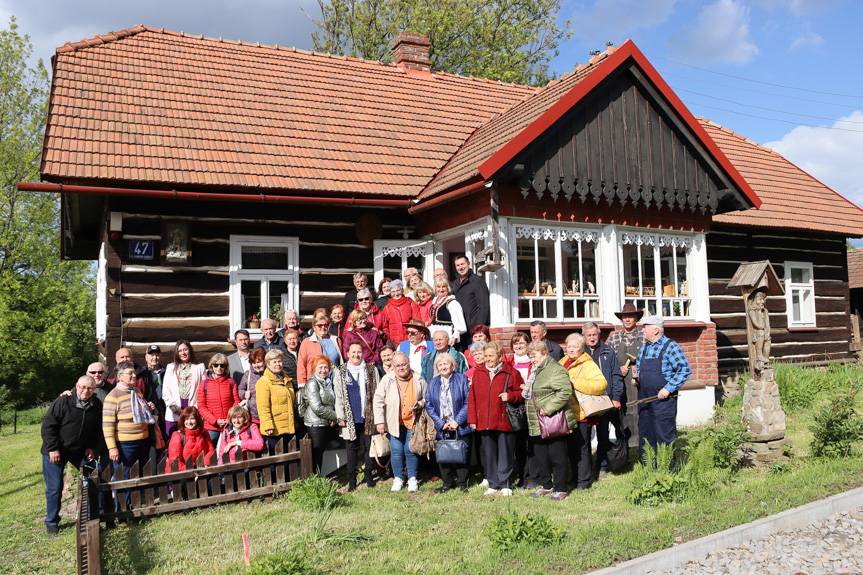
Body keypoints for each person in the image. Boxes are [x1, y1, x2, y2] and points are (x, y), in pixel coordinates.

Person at [41, 375, 103, 534]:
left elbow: (97, 431)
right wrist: (52, 448)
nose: (85, 391)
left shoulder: (96, 405)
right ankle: (52, 522)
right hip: (56, 451)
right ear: (76, 386)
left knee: (92, 478)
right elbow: (48, 426)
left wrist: (92, 448)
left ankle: (93, 517)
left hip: (80, 451)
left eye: (89, 388)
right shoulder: (63, 401)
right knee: (55, 487)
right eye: (82, 387)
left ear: (94, 389)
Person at [468, 342, 524, 496]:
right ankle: (493, 483)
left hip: (504, 420)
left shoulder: (512, 373)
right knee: (489, 453)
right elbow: (471, 398)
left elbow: (521, 393)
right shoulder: (478, 373)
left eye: (490, 355)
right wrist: (473, 419)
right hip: (484, 421)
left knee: (505, 452)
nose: (487, 359)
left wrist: (510, 396)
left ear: (499, 356)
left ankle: (505, 483)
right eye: (485, 356)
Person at [525, 340, 576, 501]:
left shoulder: (555, 369)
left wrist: (548, 408)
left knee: (557, 455)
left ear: (544, 353)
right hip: (538, 421)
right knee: (541, 455)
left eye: (534, 356)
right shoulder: (536, 370)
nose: (532, 359)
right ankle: (546, 485)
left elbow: (565, 391)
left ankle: (561, 488)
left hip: (553, 419)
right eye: (530, 356)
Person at [374, 351, 428, 493]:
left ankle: (412, 478)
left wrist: (420, 404)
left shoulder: (418, 379)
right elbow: (378, 400)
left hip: (413, 420)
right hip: (393, 421)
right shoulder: (387, 379)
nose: (401, 368)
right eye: (397, 365)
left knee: (410, 450)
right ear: (393, 366)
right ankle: (398, 478)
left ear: (409, 363)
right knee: (397, 451)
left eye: (404, 364)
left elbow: (426, 398)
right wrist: (379, 421)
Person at [636, 315, 691, 453]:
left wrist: (668, 388)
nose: (642, 330)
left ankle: (667, 469)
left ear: (655, 330)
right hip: (644, 397)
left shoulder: (670, 346)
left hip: (663, 400)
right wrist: (637, 378)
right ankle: (648, 467)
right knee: (646, 433)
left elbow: (684, 369)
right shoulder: (644, 347)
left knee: (664, 434)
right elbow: (639, 368)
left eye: (645, 327)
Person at [560, 333, 608, 490]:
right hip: (566, 414)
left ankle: (584, 482)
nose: (571, 349)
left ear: (582, 349)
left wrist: (575, 382)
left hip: (581, 414)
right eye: (569, 346)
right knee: (570, 449)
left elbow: (601, 384)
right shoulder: (562, 362)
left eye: (575, 346)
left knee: (582, 448)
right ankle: (573, 479)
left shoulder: (588, 364)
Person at [334, 343, 381, 491]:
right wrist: (341, 417)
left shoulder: (371, 369)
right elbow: (339, 396)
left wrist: (379, 416)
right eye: (353, 352)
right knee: (351, 449)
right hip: (350, 417)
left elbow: (378, 394)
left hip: (368, 416)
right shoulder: (341, 371)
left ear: (363, 353)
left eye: (359, 352)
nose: (356, 355)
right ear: (347, 353)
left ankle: (368, 476)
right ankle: (352, 479)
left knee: (369, 447)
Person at [582, 321, 624, 477]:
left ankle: (602, 466)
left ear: (599, 334)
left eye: (594, 334)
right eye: (589, 335)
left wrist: (616, 397)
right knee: (584, 437)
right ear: (583, 336)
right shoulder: (580, 352)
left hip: (604, 400)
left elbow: (616, 375)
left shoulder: (607, 351)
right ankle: (585, 469)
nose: (592, 338)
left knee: (603, 435)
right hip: (584, 402)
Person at [425, 354, 472, 493]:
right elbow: (428, 404)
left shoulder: (462, 379)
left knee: (461, 453)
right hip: (443, 426)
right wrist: (440, 423)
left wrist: (457, 421)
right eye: (440, 365)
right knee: (444, 455)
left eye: (446, 364)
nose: (443, 367)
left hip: (459, 424)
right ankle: (447, 483)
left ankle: (463, 483)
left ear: (452, 365)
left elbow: (468, 402)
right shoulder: (433, 382)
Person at [103, 361, 155, 478]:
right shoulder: (113, 396)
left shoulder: (136, 391)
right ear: (120, 376)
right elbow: (107, 425)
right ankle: (124, 497)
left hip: (143, 440)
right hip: (125, 445)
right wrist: (112, 448)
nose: (134, 375)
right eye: (130, 373)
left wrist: (148, 407)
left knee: (140, 475)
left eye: (134, 373)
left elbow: (137, 412)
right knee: (125, 476)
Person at [607, 303, 645, 448]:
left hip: (641, 382)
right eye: (625, 317)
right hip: (621, 383)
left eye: (630, 316)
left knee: (641, 412)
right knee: (624, 413)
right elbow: (608, 361)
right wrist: (618, 369)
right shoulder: (615, 338)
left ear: (636, 318)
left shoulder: (644, 335)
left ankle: (643, 445)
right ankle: (625, 446)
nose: (627, 319)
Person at [256, 349, 297, 456]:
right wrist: (268, 425)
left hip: (288, 426)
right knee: (275, 462)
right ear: (268, 364)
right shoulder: (263, 382)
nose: (278, 364)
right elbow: (262, 407)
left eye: (280, 361)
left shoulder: (287, 380)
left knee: (288, 459)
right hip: (274, 429)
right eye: (274, 362)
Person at [162, 340, 206, 439]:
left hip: (192, 408)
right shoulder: (170, 367)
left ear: (190, 350)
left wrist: (194, 409)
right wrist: (175, 408)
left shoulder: (199, 367)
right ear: (177, 353)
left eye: (185, 349)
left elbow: (203, 390)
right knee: (173, 439)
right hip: (173, 411)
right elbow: (166, 391)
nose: (183, 353)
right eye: (180, 350)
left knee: (191, 440)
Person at [302, 355, 339, 473]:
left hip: (324, 422)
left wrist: (331, 418)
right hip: (315, 424)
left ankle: (319, 478)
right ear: (314, 369)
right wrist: (336, 416)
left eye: (326, 367)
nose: (323, 370)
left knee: (320, 453)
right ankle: (315, 482)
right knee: (316, 454)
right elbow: (317, 407)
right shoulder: (313, 383)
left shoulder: (326, 382)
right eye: (320, 367)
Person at [197, 353, 240, 445]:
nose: (219, 368)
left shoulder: (231, 382)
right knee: (210, 453)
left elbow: (236, 401)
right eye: (216, 365)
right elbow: (201, 406)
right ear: (211, 366)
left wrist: (230, 418)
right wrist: (214, 421)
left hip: (229, 425)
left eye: (222, 365)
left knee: (230, 454)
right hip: (211, 426)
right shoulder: (204, 384)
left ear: (226, 367)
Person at [297, 308, 343, 385]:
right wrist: (302, 385)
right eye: (319, 325)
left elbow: (341, 363)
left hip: (334, 383)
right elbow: (301, 366)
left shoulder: (336, 340)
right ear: (314, 326)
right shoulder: (307, 342)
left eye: (326, 325)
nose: (323, 327)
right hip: (314, 385)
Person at [165, 406, 214, 471]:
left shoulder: (204, 433)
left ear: (197, 419)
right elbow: (175, 460)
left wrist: (205, 463)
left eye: (192, 419)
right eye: (186, 419)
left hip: (202, 471)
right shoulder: (177, 435)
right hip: (183, 474)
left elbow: (210, 450)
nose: (189, 422)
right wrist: (190, 471)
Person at [450, 255, 490, 333]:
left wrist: (478, 327)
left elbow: (484, 306)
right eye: (458, 265)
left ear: (468, 264)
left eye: (462, 264)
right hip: (459, 328)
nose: (460, 267)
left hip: (473, 329)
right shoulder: (455, 283)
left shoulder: (477, 281)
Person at [428, 279, 468, 346]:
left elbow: (459, 324)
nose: (441, 289)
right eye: (438, 287)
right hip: (435, 337)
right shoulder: (434, 301)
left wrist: (454, 337)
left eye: (443, 286)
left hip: (448, 338)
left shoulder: (452, 303)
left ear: (448, 288)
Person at [381, 279, 420, 345]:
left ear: (402, 291)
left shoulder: (410, 303)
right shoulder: (387, 307)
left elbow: (417, 321)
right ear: (390, 293)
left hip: (410, 339)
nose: (396, 294)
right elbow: (385, 327)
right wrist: (390, 338)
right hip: (395, 342)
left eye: (398, 290)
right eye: (393, 291)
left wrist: (414, 335)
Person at [238, 347, 266, 425]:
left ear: (265, 361)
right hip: (252, 416)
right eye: (254, 362)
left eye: (259, 362)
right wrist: (244, 394)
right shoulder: (248, 374)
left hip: (269, 416)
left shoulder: (270, 373)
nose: (256, 365)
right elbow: (240, 389)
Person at [144, 345, 167, 431]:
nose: (154, 357)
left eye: (157, 355)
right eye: (151, 355)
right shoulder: (143, 373)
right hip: (150, 409)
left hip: (165, 409)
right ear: (146, 357)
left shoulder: (167, 372)